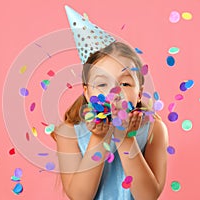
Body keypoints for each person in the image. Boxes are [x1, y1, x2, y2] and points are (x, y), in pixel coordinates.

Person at [51, 5, 168, 200]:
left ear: (139, 92)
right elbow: (79, 196)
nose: (114, 93)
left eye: (124, 83)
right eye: (102, 83)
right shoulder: (69, 131)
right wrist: (98, 138)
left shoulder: (154, 129)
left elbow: (148, 196)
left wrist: (125, 137)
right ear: (87, 93)